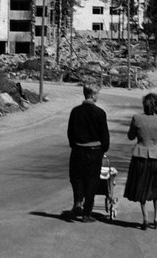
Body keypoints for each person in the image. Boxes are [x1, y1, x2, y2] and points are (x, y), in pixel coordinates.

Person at [124, 92, 157, 230]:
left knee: (142, 187)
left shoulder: (137, 118)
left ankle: (145, 218)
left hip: (140, 156)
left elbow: (130, 136)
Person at [67, 83, 110, 223]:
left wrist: (74, 145)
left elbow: (70, 132)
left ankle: (78, 201)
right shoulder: (100, 113)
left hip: (78, 150)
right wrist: (103, 148)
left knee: (77, 178)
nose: (98, 96)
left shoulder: (75, 111)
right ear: (92, 95)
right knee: (92, 181)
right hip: (94, 151)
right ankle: (86, 213)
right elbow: (105, 136)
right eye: (97, 93)